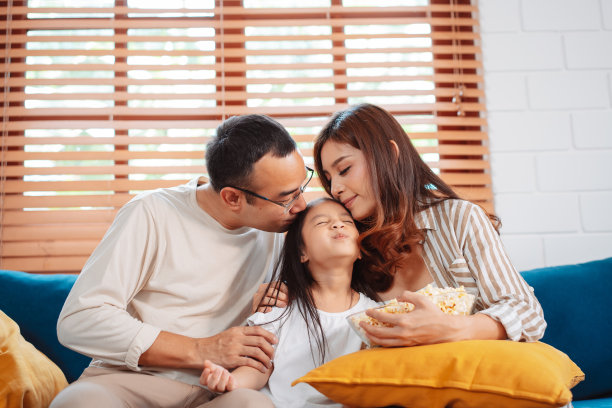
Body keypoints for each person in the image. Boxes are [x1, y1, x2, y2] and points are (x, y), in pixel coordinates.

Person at [50, 114, 314, 408]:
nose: (301, 205)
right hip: (128, 383)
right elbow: (80, 320)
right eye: (287, 198)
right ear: (232, 198)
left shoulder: (287, 227)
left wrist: (295, 297)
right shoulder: (150, 213)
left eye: (303, 185)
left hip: (219, 392)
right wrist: (202, 349)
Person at [311, 103, 546, 347]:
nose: (335, 188)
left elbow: (528, 313)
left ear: (389, 155)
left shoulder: (459, 218)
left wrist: (452, 328)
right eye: (328, 179)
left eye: (344, 169)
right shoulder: (352, 247)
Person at [199, 198, 380, 407]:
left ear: (359, 251)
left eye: (347, 222)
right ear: (302, 252)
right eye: (322, 222)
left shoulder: (374, 316)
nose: (338, 225)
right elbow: (258, 368)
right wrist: (230, 381)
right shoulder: (278, 305)